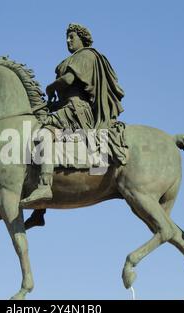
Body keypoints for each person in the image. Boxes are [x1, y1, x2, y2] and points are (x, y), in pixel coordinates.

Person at [20, 23, 125, 208]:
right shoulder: (75, 58)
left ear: (81, 39)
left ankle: (44, 186)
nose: (68, 41)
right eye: (67, 38)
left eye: (72, 37)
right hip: (68, 108)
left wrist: (50, 87)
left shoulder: (86, 55)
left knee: (43, 134)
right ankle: (39, 211)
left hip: (77, 112)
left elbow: (68, 80)